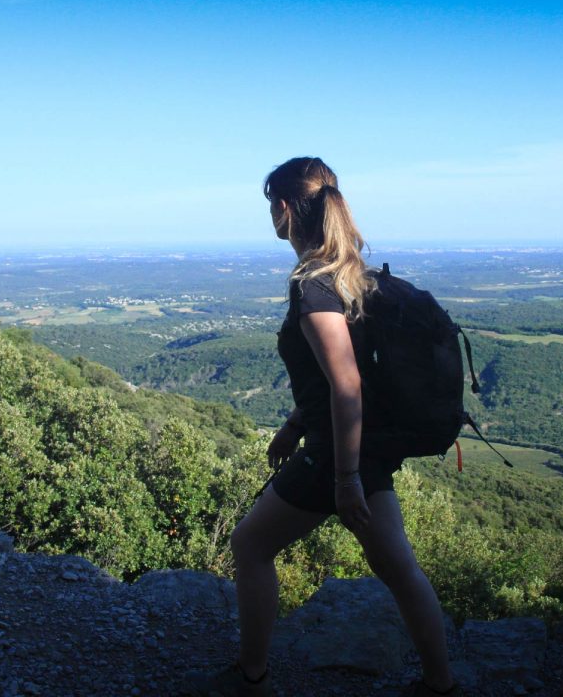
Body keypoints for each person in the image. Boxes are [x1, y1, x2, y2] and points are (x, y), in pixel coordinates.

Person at [191, 157, 460, 697]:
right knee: (398, 568)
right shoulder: (351, 273)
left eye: (272, 204)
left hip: (339, 455)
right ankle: (442, 684)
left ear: (286, 208)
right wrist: (294, 424)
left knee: (249, 546)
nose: (271, 214)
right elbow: (338, 375)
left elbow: (346, 384)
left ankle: (251, 676)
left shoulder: (313, 286)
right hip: (369, 446)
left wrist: (344, 477)